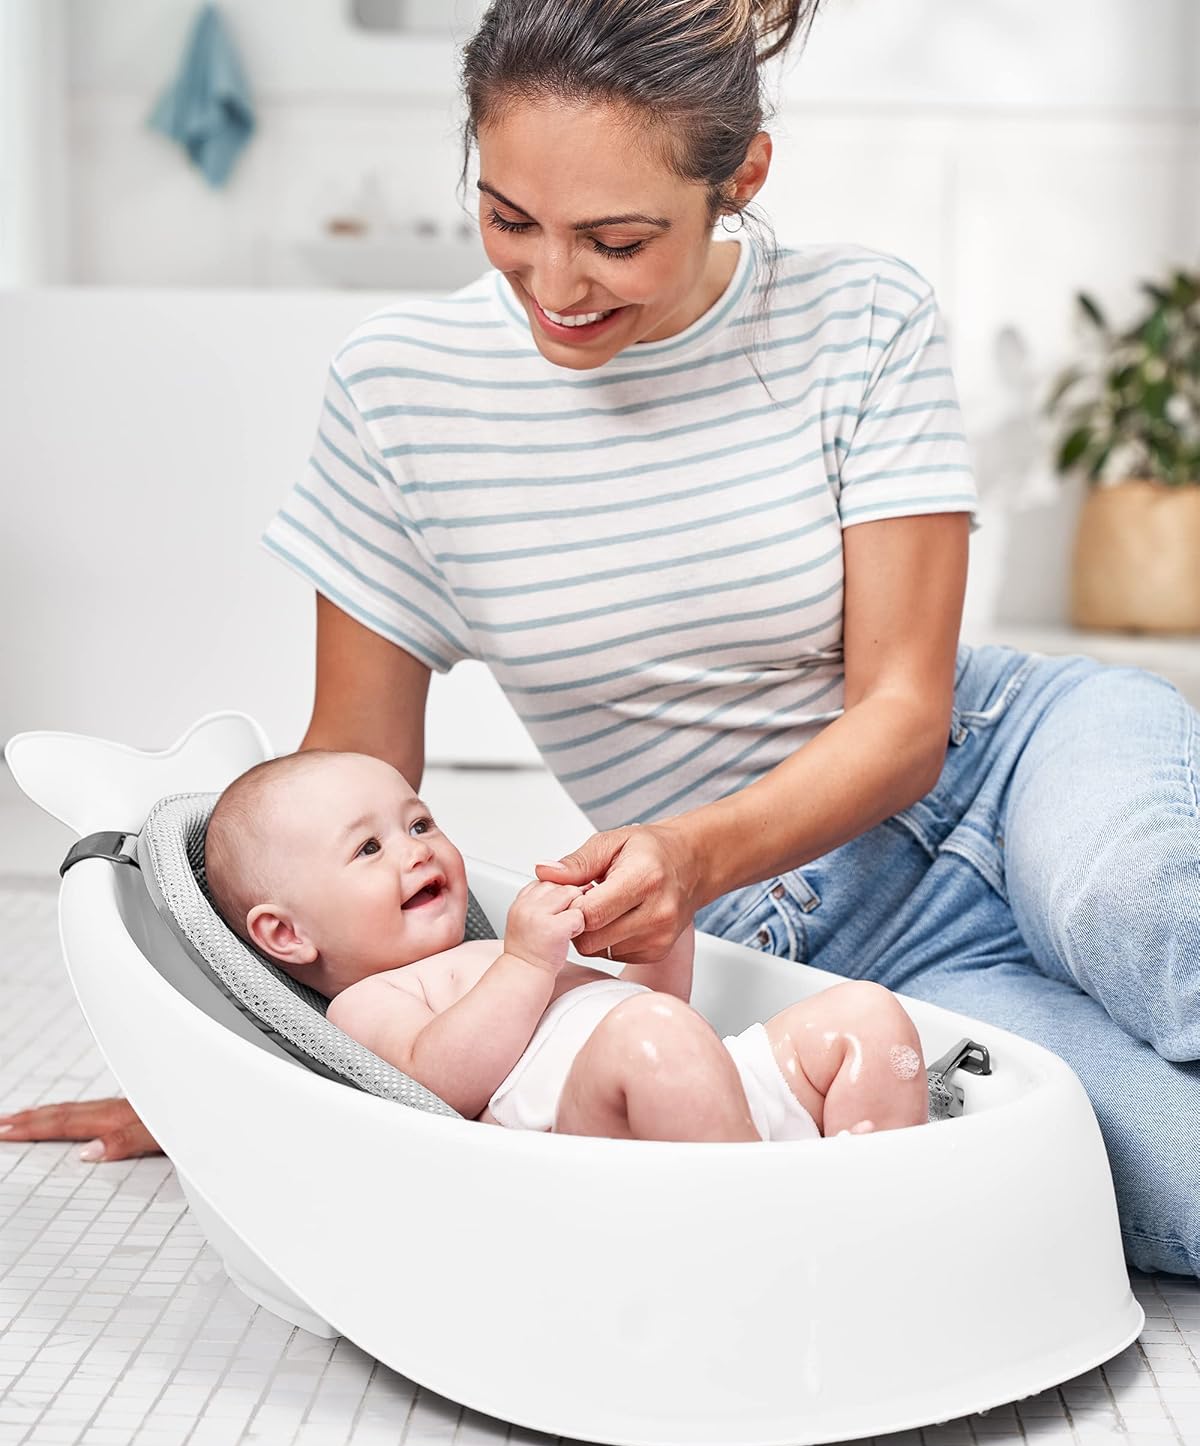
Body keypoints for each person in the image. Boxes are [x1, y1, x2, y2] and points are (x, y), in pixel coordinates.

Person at [3, 0, 1197, 1275]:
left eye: (615, 240)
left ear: (740, 179)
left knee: (1145, 914)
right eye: (509, 219)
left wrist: (685, 853)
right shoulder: (400, 393)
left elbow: (904, 718)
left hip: (1015, 758)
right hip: (829, 942)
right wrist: (254, 1072)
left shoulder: (864, 315)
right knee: (1160, 1176)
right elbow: (347, 776)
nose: (556, 286)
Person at [200, 747, 928, 1141]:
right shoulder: (366, 1003)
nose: (416, 850)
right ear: (286, 934)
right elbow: (437, 1084)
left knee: (867, 1014)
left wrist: (664, 940)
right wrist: (524, 962)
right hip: (593, 1142)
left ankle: (877, 1198)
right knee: (651, 1035)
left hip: (709, 1094)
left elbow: (661, 1016)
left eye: (419, 824)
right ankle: (776, 1229)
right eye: (368, 848)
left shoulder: (496, 955)